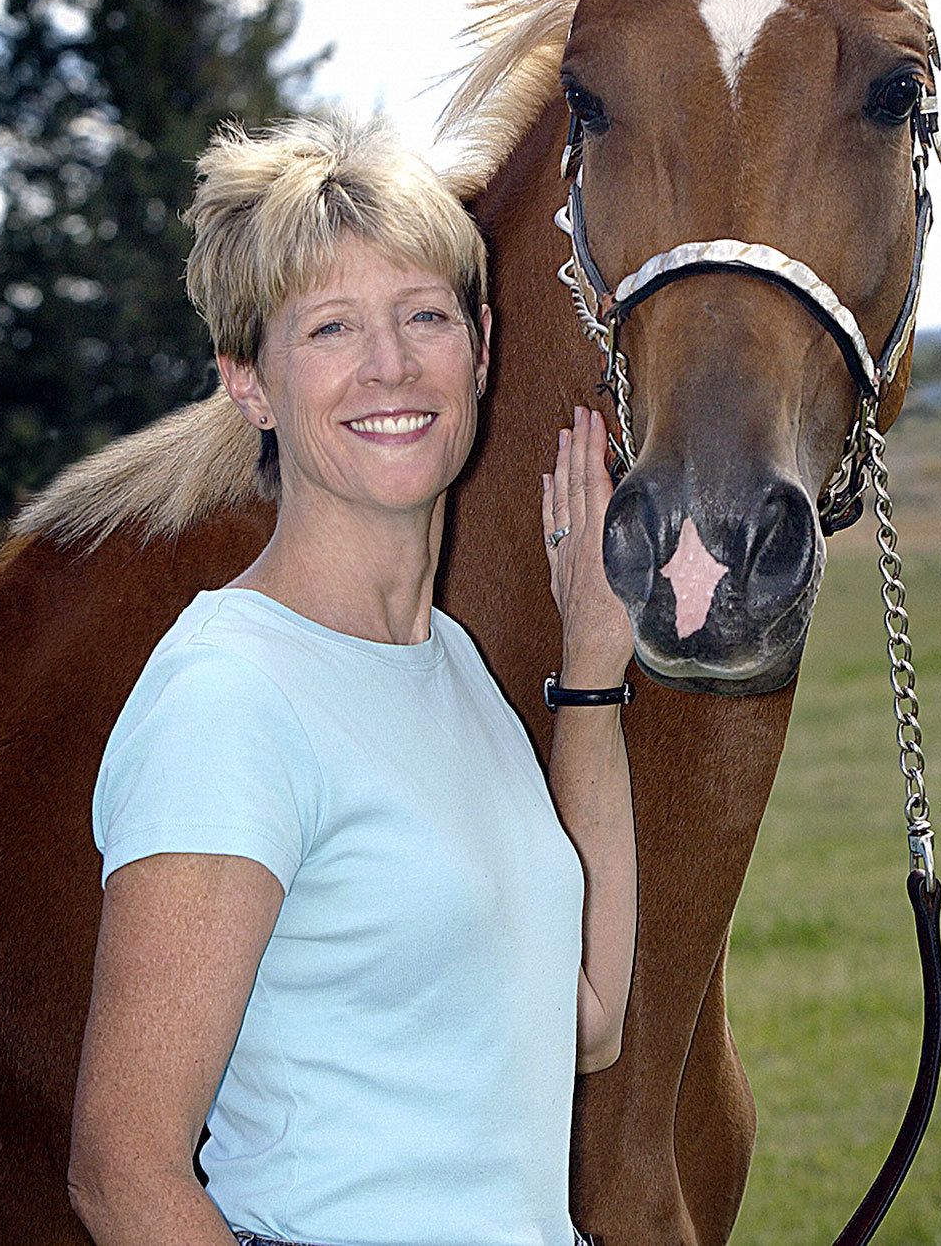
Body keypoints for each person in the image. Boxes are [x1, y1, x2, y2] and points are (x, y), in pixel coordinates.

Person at [67, 112, 637, 1246]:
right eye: (329, 328)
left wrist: (588, 676)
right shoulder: (230, 698)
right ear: (249, 382)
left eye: (423, 314)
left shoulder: (448, 665)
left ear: (478, 344)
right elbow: (121, 1175)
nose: (390, 365)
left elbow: (584, 1022)